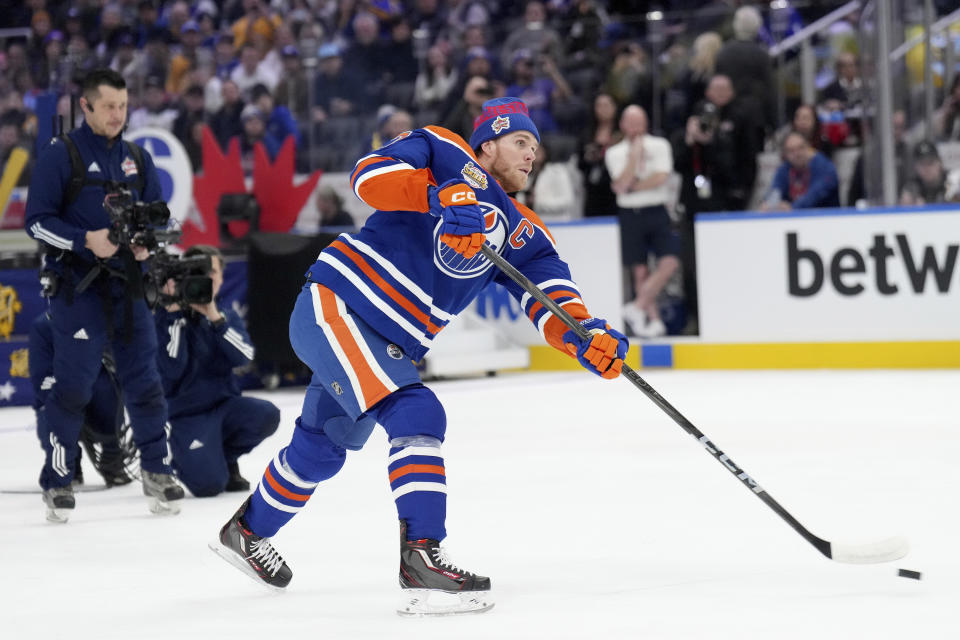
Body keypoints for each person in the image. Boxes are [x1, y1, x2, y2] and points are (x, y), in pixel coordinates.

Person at [210, 96, 629, 615]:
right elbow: (369, 176)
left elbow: (552, 301)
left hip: (386, 345)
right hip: (340, 305)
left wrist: (586, 336)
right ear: (488, 143)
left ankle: (246, 532)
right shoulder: (442, 149)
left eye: (535, 148)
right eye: (521, 142)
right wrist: (437, 195)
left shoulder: (527, 234)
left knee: (321, 448)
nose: (530, 156)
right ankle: (422, 558)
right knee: (417, 412)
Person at [24, 68, 184, 523]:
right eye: (110, 106)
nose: (118, 114)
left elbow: (157, 217)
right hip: (77, 289)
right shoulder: (62, 154)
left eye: (123, 106)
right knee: (73, 387)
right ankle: (57, 481)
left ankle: (158, 470)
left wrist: (147, 241)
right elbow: (35, 221)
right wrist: (84, 239)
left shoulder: (138, 156)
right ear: (86, 106)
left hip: (129, 287)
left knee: (146, 383)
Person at [154, 245, 280, 497]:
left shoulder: (225, 315)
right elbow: (170, 371)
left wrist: (215, 318)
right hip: (187, 415)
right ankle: (185, 457)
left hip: (226, 406)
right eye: (197, 272)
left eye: (212, 272)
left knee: (267, 414)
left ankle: (225, 457)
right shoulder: (165, 317)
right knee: (209, 486)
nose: (207, 278)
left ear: (222, 276)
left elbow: (244, 357)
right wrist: (174, 317)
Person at [29, 312, 133, 489]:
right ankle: (68, 461)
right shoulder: (43, 326)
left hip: (96, 392)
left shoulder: (103, 320)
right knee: (53, 413)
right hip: (61, 393)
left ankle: (112, 455)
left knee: (109, 389)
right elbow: (41, 377)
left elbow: (116, 362)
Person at [606, 105, 680, 339]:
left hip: (657, 210)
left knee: (670, 262)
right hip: (630, 214)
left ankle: (637, 307)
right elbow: (619, 183)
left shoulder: (660, 145)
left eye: (640, 122)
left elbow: (661, 177)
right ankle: (652, 321)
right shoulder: (615, 153)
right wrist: (635, 157)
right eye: (632, 122)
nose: (636, 127)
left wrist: (631, 186)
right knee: (639, 270)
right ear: (623, 125)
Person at [762, 131, 839, 210]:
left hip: (825, 218)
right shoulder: (785, 169)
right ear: (785, 154)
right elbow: (776, 189)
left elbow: (815, 195)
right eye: (791, 150)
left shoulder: (825, 167)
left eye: (800, 147)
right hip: (795, 219)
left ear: (809, 147)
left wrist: (792, 207)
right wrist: (768, 203)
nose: (797, 154)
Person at [899, 140, 960, 205]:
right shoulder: (912, 187)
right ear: (915, 166)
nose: (927, 169)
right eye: (922, 164)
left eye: (930, 162)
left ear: (939, 163)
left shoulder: (954, 182)